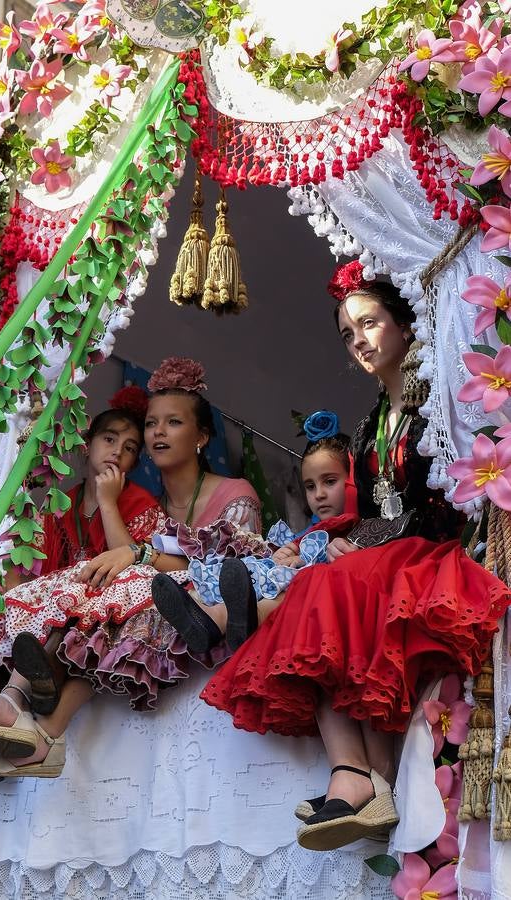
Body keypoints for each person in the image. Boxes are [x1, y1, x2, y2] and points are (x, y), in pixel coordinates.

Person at [200, 261, 511, 852]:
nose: (359, 341)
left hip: (432, 555)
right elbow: (365, 512)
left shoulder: (439, 400)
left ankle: (364, 777)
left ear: (403, 322)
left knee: (320, 589)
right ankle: (364, 777)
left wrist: (366, 543)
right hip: (383, 558)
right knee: (319, 590)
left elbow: (453, 497)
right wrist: (350, 538)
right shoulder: (371, 425)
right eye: (348, 332)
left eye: (369, 323)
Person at [0, 358, 261, 779]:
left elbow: (232, 567)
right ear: (87, 444)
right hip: (118, 601)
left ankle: (22, 712)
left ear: (202, 437)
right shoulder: (97, 504)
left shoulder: (191, 496)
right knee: (28, 600)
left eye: (172, 422)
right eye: (152, 424)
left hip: (181, 604)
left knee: (98, 607)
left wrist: (124, 533)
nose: (156, 432)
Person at [152, 417, 358, 652]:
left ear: (353, 480)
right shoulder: (309, 532)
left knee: (293, 583)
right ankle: (211, 620)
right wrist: (285, 552)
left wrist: (300, 560)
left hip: (311, 589)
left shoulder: (357, 529)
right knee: (246, 574)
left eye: (329, 481)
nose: (318, 494)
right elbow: (292, 549)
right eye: (310, 486)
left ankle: (253, 619)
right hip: (284, 573)